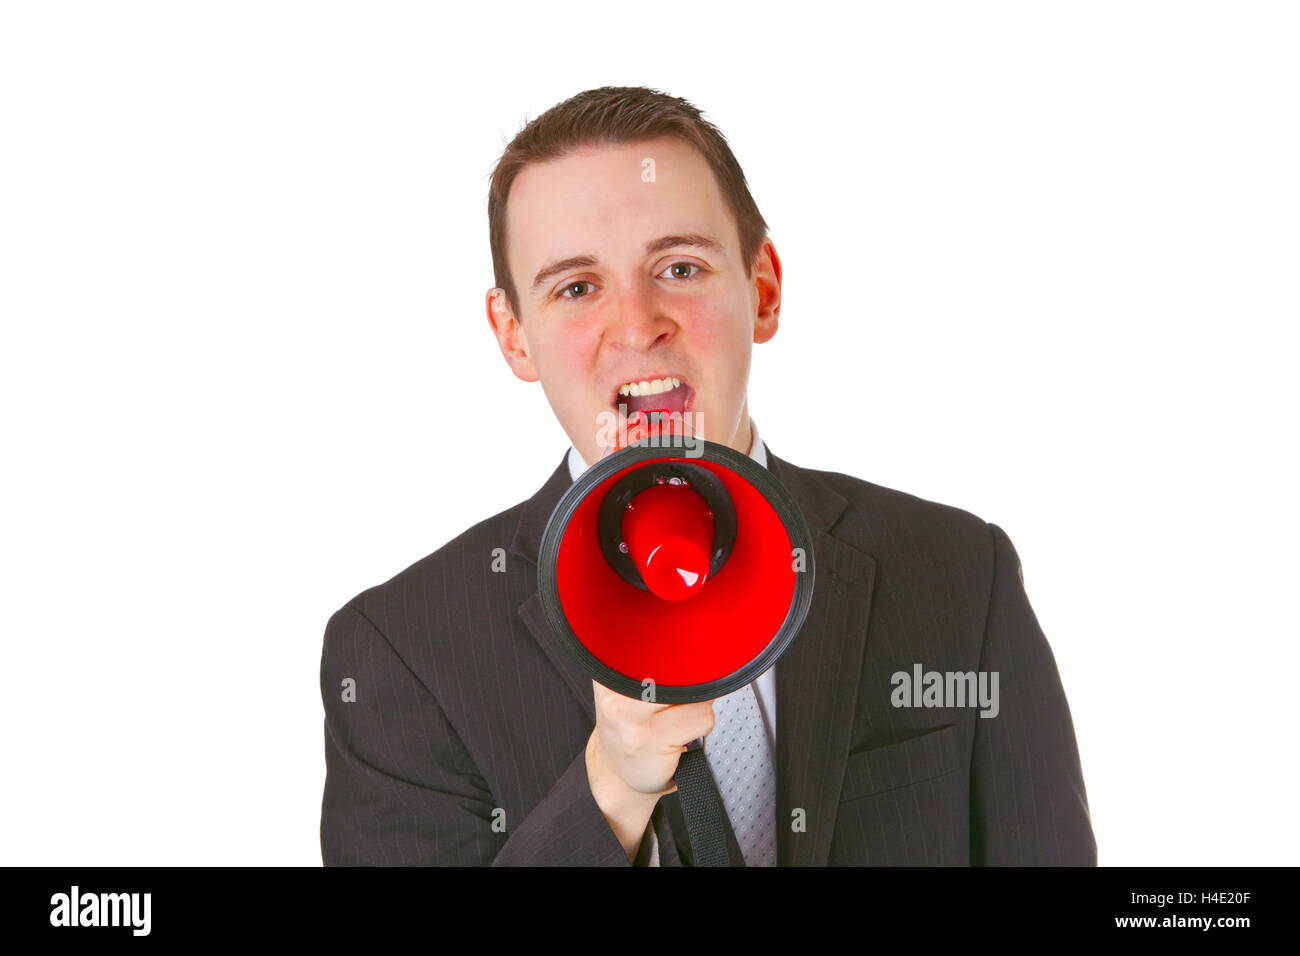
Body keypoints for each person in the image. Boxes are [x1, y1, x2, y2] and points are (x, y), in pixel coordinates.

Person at [318, 86, 1097, 866]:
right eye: (577, 288)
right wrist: (610, 793)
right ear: (513, 336)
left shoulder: (959, 574)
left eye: (680, 266)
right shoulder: (400, 655)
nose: (636, 323)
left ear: (763, 290)